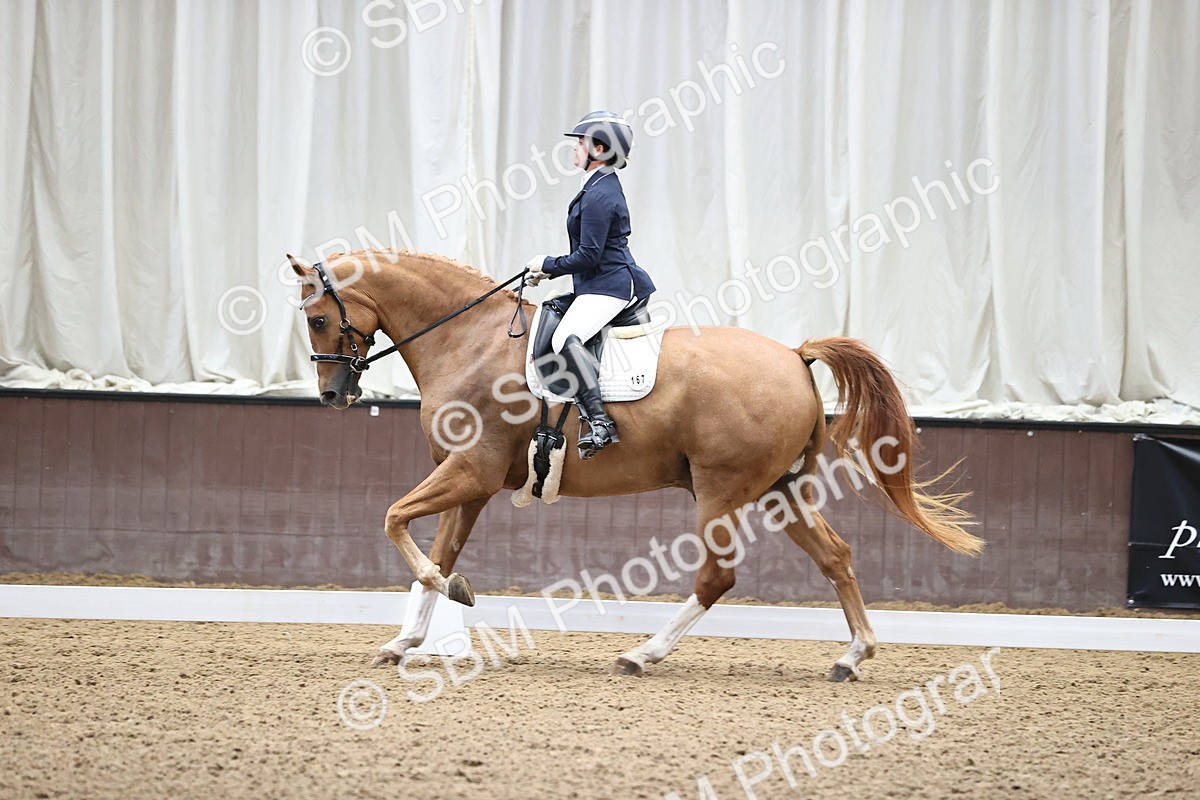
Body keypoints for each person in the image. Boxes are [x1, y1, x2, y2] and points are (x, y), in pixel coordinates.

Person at [525, 111, 656, 458]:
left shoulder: (600, 195)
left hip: (610, 284)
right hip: (596, 283)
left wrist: (547, 265)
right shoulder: (597, 186)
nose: (575, 150)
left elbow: (588, 256)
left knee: (564, 337)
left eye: (580, 143)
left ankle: (600, 422)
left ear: (598, 148)